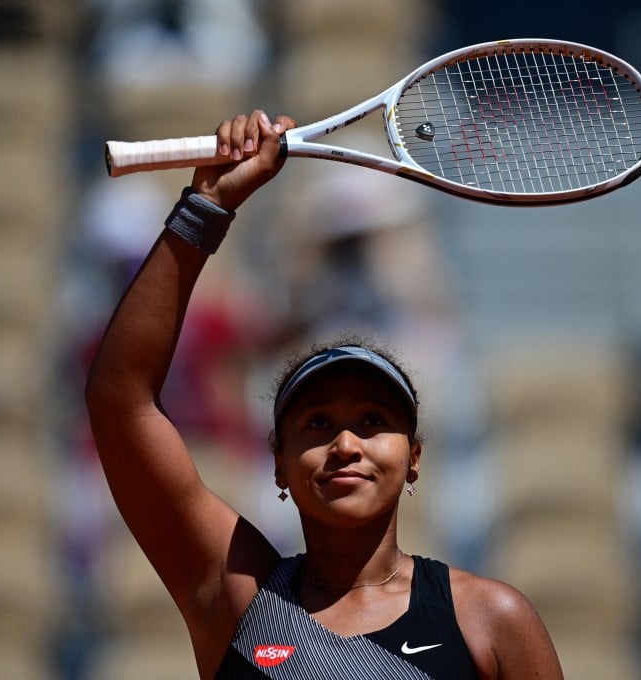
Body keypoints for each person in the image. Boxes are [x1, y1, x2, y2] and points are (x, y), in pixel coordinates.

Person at [84, 109, 565, 679]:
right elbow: (120, 401)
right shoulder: (239, 601)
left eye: (371, 420)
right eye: (316, 423)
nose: (344, 443)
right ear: (279, 464)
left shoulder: (491, 620)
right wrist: (205, 207)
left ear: (414, 458)